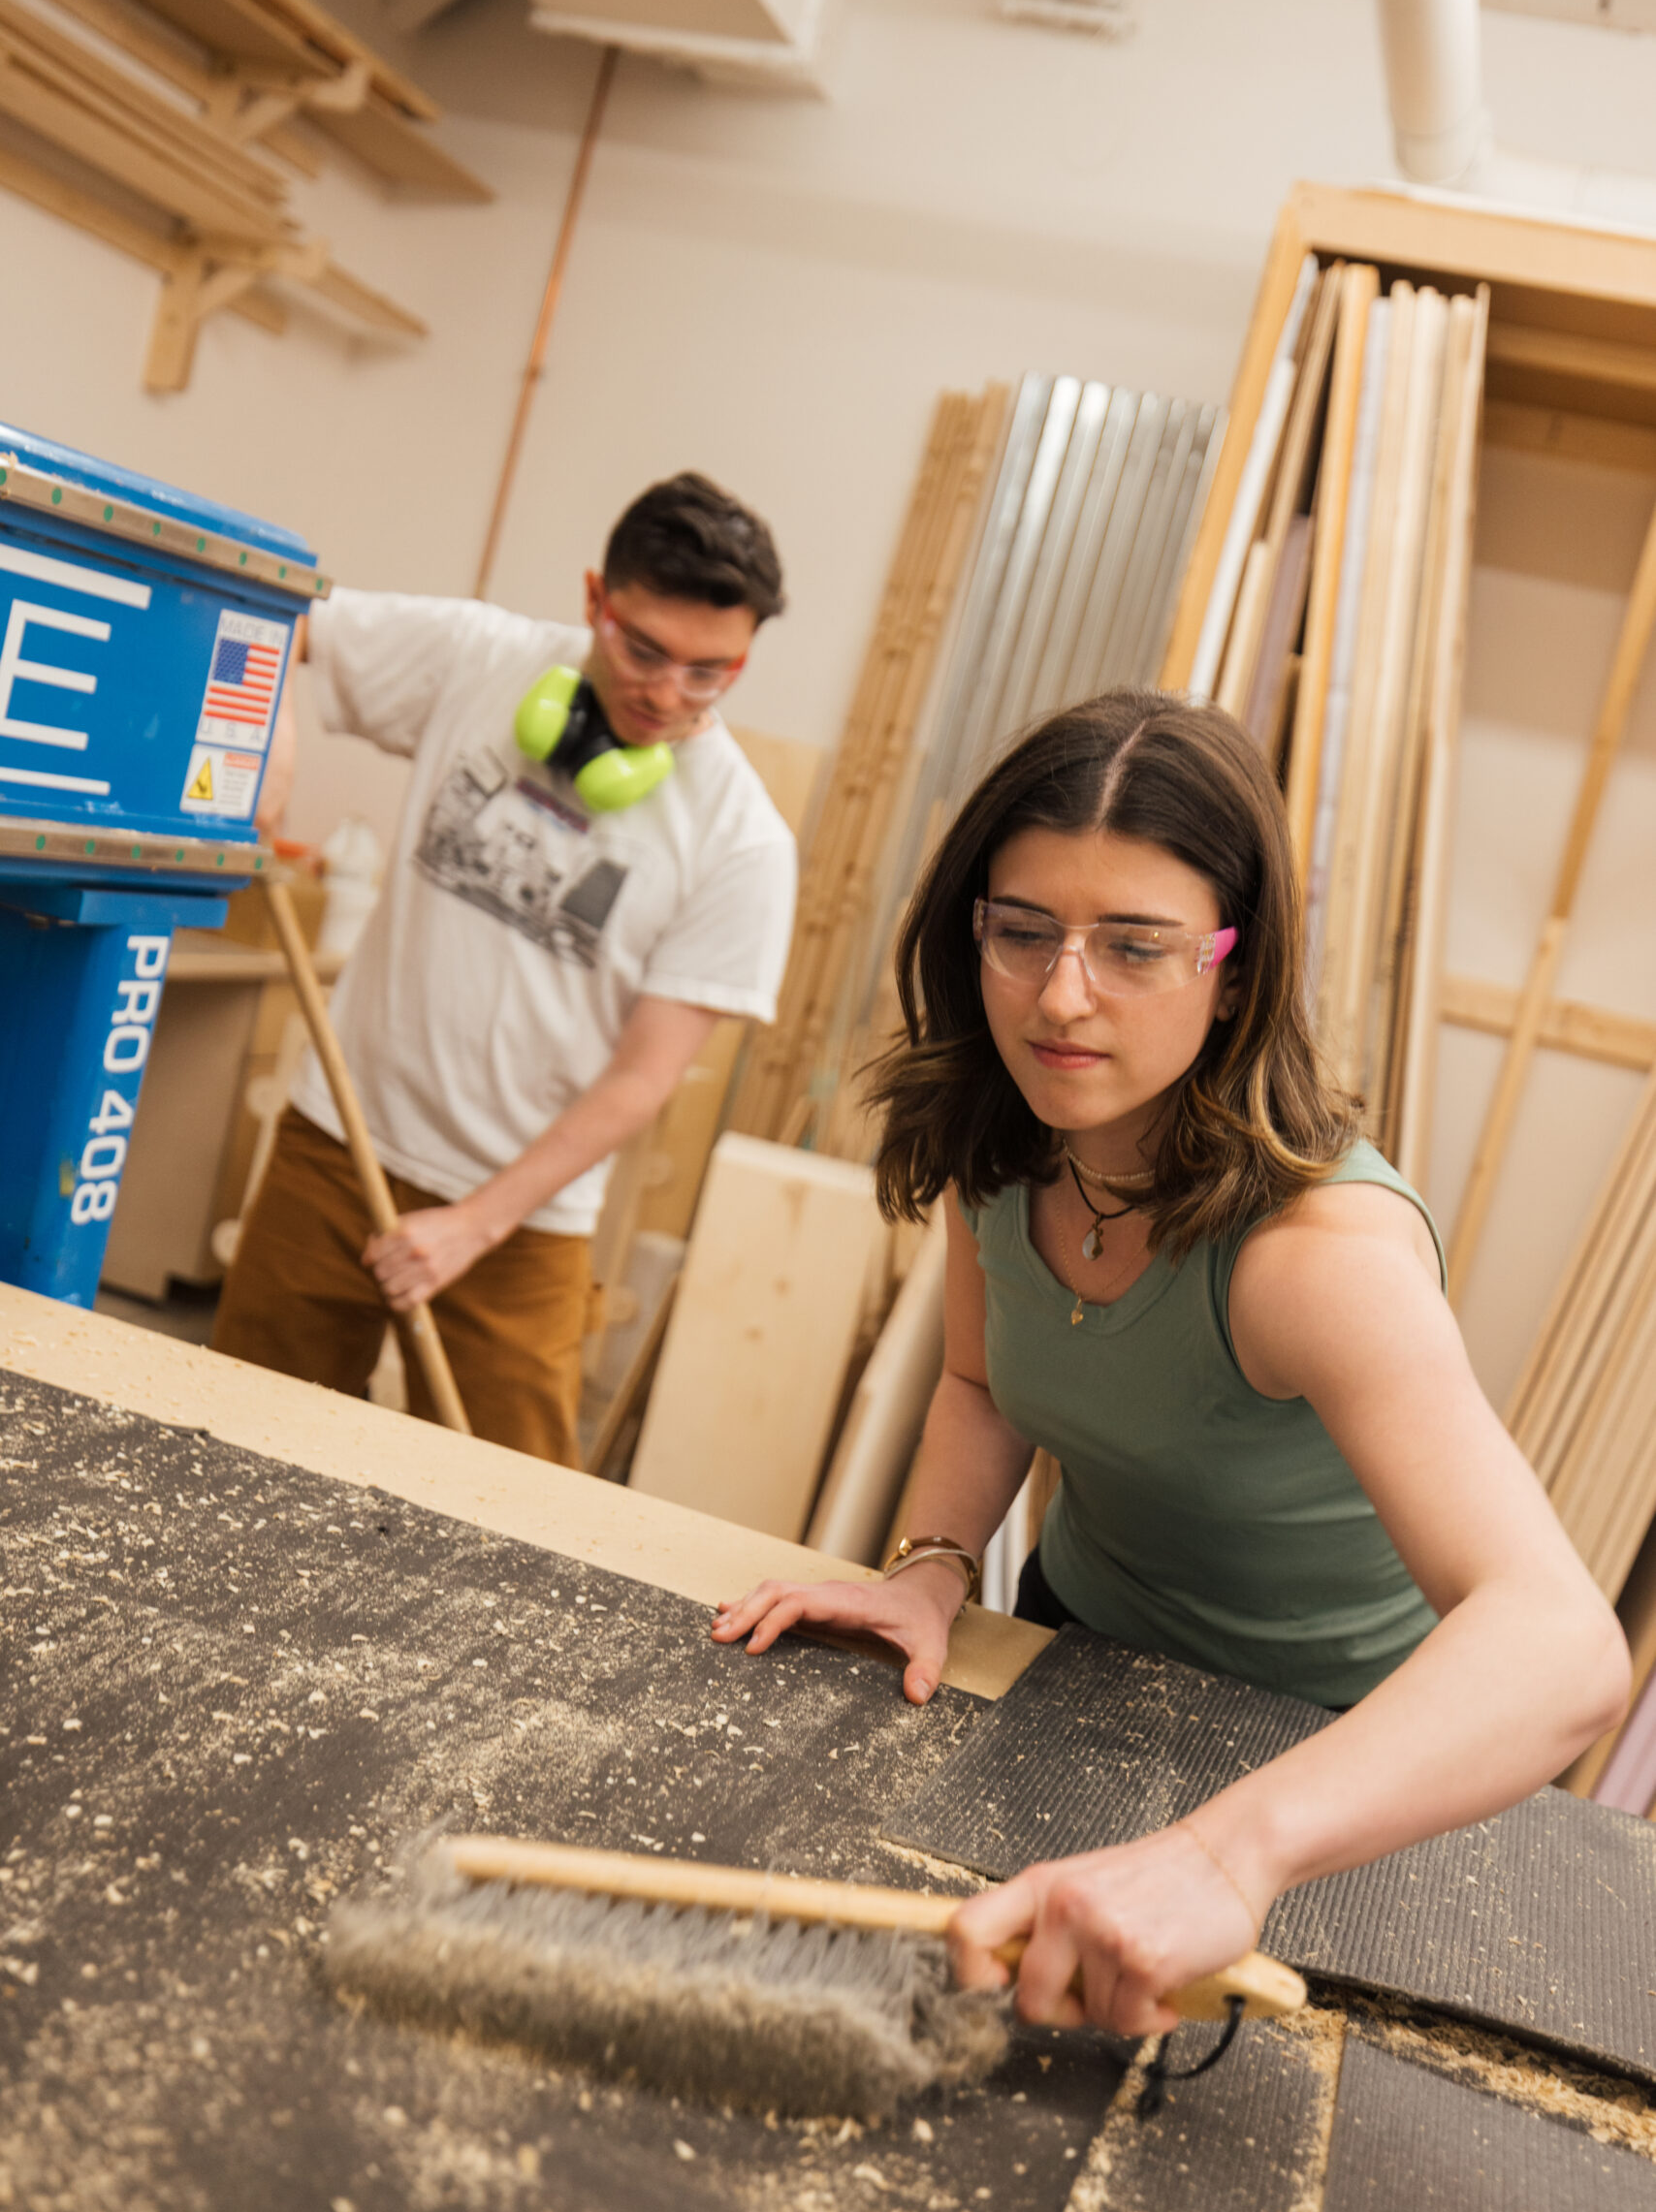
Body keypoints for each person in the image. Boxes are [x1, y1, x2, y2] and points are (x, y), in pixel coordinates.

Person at [713, 690, 1628, 2041]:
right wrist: (929, 1572)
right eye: (1022, 933)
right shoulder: (1009, 1142)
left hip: (1323, 1758)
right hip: (1082, 1652)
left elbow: (1562, 1649)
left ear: (1234, 970)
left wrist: (1226, 1855)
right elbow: (977, 1386)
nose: (1060, 996)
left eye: (1134, 948)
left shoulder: (1313, 1257)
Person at [214, 473, 796, 1465]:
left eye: (710, 672)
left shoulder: (742, 842)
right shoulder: (480, 658)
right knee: (230, 1448)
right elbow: (262, 608)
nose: (667, 693)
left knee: (508, 1529)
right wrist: (264, 731)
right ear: (592, 601)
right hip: (334, 1146)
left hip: (520, 1226)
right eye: (643, 648)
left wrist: (473, 1226)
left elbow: (641, 1081)